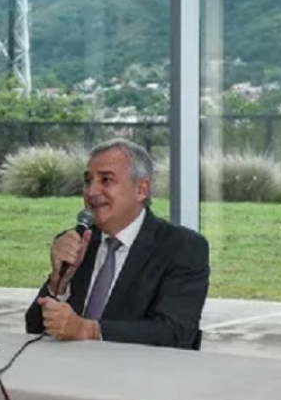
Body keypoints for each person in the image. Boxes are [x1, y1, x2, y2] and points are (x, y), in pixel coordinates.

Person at [25, 138, 210, 349]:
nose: (92, 192)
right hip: (70, 366)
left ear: (141, 190)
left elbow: (176, 332)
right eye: (88, 181)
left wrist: (90, 331)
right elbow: (34, 327)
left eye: (106, 180)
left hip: (140, 369)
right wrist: (58, 284)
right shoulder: (79, 242)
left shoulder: (182, 247)